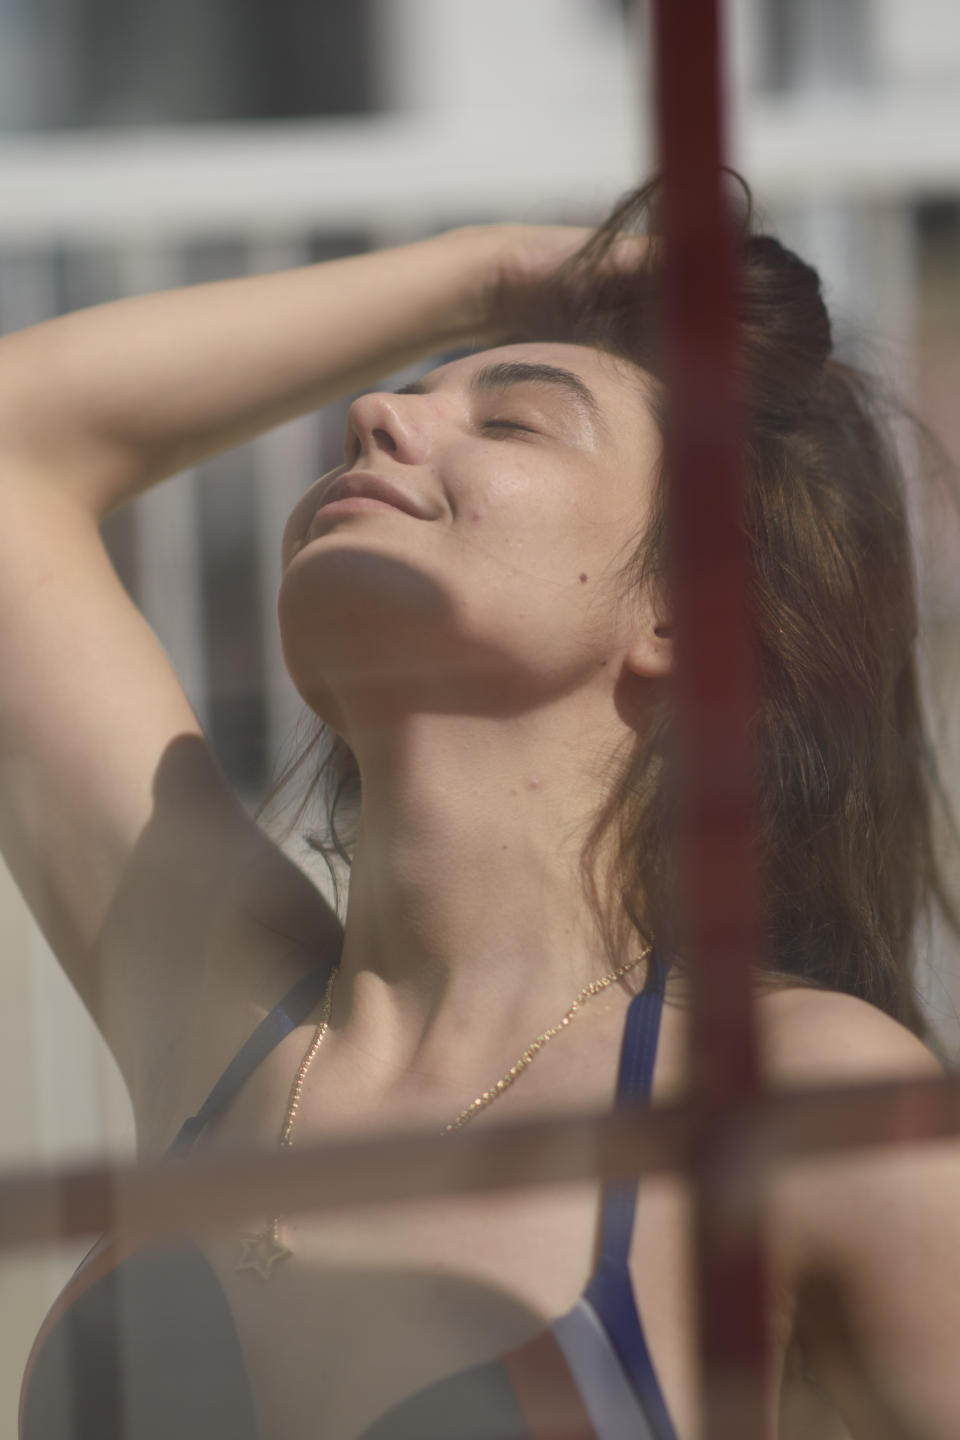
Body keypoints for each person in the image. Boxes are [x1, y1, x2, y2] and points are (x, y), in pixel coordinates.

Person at [3, 180, 960, 1440]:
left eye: (512, 421)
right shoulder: (221, 1017)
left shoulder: (794, 1101)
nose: (372, 414)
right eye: (399, 401)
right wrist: (487, 273)